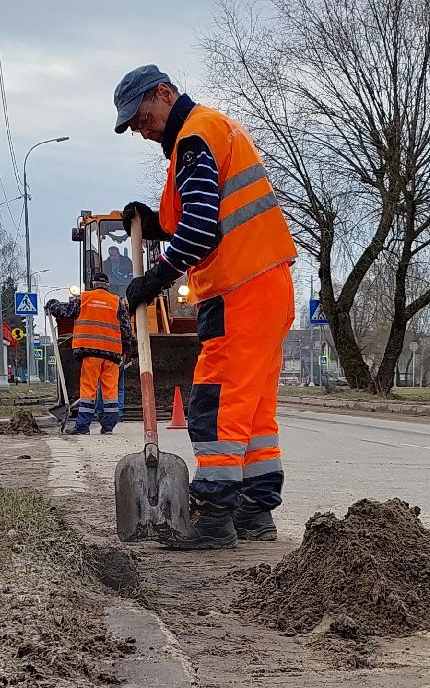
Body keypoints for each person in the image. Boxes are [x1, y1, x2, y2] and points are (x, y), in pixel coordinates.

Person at [115, 64, 296, 551]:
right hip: (267, 283)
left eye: (143, 117)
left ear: (164, 92)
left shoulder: (194, 139)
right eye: (134, 126)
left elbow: (198, 232)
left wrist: (151, 282)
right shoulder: (212, 130)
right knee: (252, 409)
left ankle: (215, 518)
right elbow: (203, 216)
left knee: (214, 405)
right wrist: (154, 221)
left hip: (239, 287)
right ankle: (255, 511)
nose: (142, 130)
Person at [45, 264, 128, 435]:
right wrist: (129, 348)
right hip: (112, 354)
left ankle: (83, 426)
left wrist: (52, 304)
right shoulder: (117, 302)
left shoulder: (84, 298)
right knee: (110, 390)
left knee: (89, 388)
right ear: (108, 286)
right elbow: (126, 329)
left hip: (90, 352)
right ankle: (108, 427)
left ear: (93, 284)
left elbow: (65, 311)